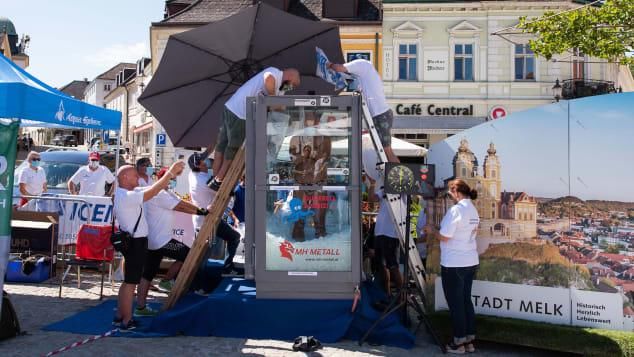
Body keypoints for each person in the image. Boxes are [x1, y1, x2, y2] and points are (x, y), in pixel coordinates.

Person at [112, 160, 185, 331]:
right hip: (136, 243)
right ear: (124, 177)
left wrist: (168, 177)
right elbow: (152, 191)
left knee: (127, 282)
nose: (138, 178)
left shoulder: (125, 193)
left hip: (132, 242)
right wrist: (170, 173)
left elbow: (149, 189)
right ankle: (127, 320)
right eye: (135, 175)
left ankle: (120, 316)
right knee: (131, 283)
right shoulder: (128, 196)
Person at [209, 67, 301, 191]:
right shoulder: (274, 73)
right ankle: (218, 180)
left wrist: (276, 105)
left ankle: (214, 179)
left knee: (221, 147)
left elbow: (277, 106)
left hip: (231, 107)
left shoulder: (281, 89)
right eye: (293, 84)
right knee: (232, 151)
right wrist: (273, 100)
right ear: (289, 77)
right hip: (240, 114)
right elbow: (268, 78)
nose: (291, 88)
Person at [134, 167, 209, 317]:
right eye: (171, 179)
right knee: (189, 255)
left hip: (154, 240)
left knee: (148, 274)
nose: (173, 181)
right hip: (162, 240)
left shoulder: (160, 192)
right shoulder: (160, 193)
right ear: (164, 180)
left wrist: (199, 209)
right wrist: (201, 212)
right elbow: (180, 206)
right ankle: (167, 280)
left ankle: (141, 307)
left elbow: (181, 202)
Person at [424, 179, 480, 354]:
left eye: (450, 194)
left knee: (456, 304)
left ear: (456, 192)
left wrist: (431, 230)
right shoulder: (473, 209)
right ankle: (469, 341)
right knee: (465, 301)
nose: (450, 197)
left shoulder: (456, 210)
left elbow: (445, 237)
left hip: (454, 263)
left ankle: (458, 343)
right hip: (470, 261)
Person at [327, 59, 399, 163]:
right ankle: (390, 173)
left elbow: (339, 68)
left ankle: (399, 177)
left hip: (381, 114)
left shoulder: (362, 65)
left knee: (387, 151)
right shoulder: (363, 75)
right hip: (379, 115)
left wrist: (329, 64)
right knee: (382, 151)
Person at [188, 150, 240, 273]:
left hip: (211, 218)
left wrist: (214, 147)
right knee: (203, 254)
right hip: (206, 220)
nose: (207, 161)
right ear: (199, 165)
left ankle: (227, 267)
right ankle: (199, 286)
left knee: (234, 237)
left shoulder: (192, 174)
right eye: (203, 160)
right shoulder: (205, 181)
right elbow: (225, 190)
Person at [366, 174, 403, 296]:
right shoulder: (384, 190)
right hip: (379, 232)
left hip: (391, 233)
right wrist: (372, 183)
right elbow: (371, 199)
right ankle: (387, 295)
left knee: (392, 265)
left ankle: (401, 296)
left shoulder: (402, 191)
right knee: (381, 266)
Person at [415, 202, 428, 269]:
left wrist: (414, 241)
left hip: (429, 254)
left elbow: (429, 236)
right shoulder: (421, 211)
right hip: (420, 252)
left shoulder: (433, 214)